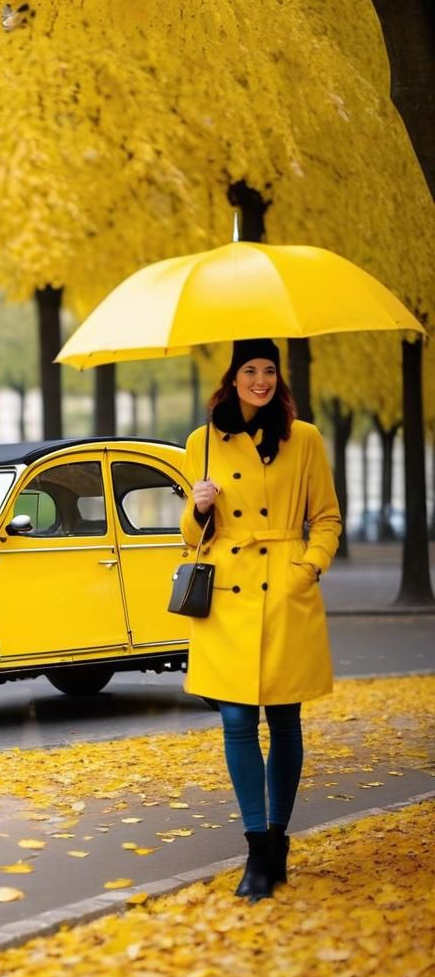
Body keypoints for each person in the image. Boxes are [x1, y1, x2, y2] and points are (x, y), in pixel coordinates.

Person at [180, 338, 342, 901]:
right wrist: (198, 507)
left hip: (285, 590)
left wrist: (308, 568)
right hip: (230, 595)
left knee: (286, 719)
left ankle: (279, 838)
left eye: (269, 370)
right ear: (231, 377)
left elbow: (326, 518)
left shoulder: (305, 439)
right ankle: (256, 849)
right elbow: (192, 537)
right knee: (235, 720)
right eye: (250, 370)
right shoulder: (201, 443)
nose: (261, 380)